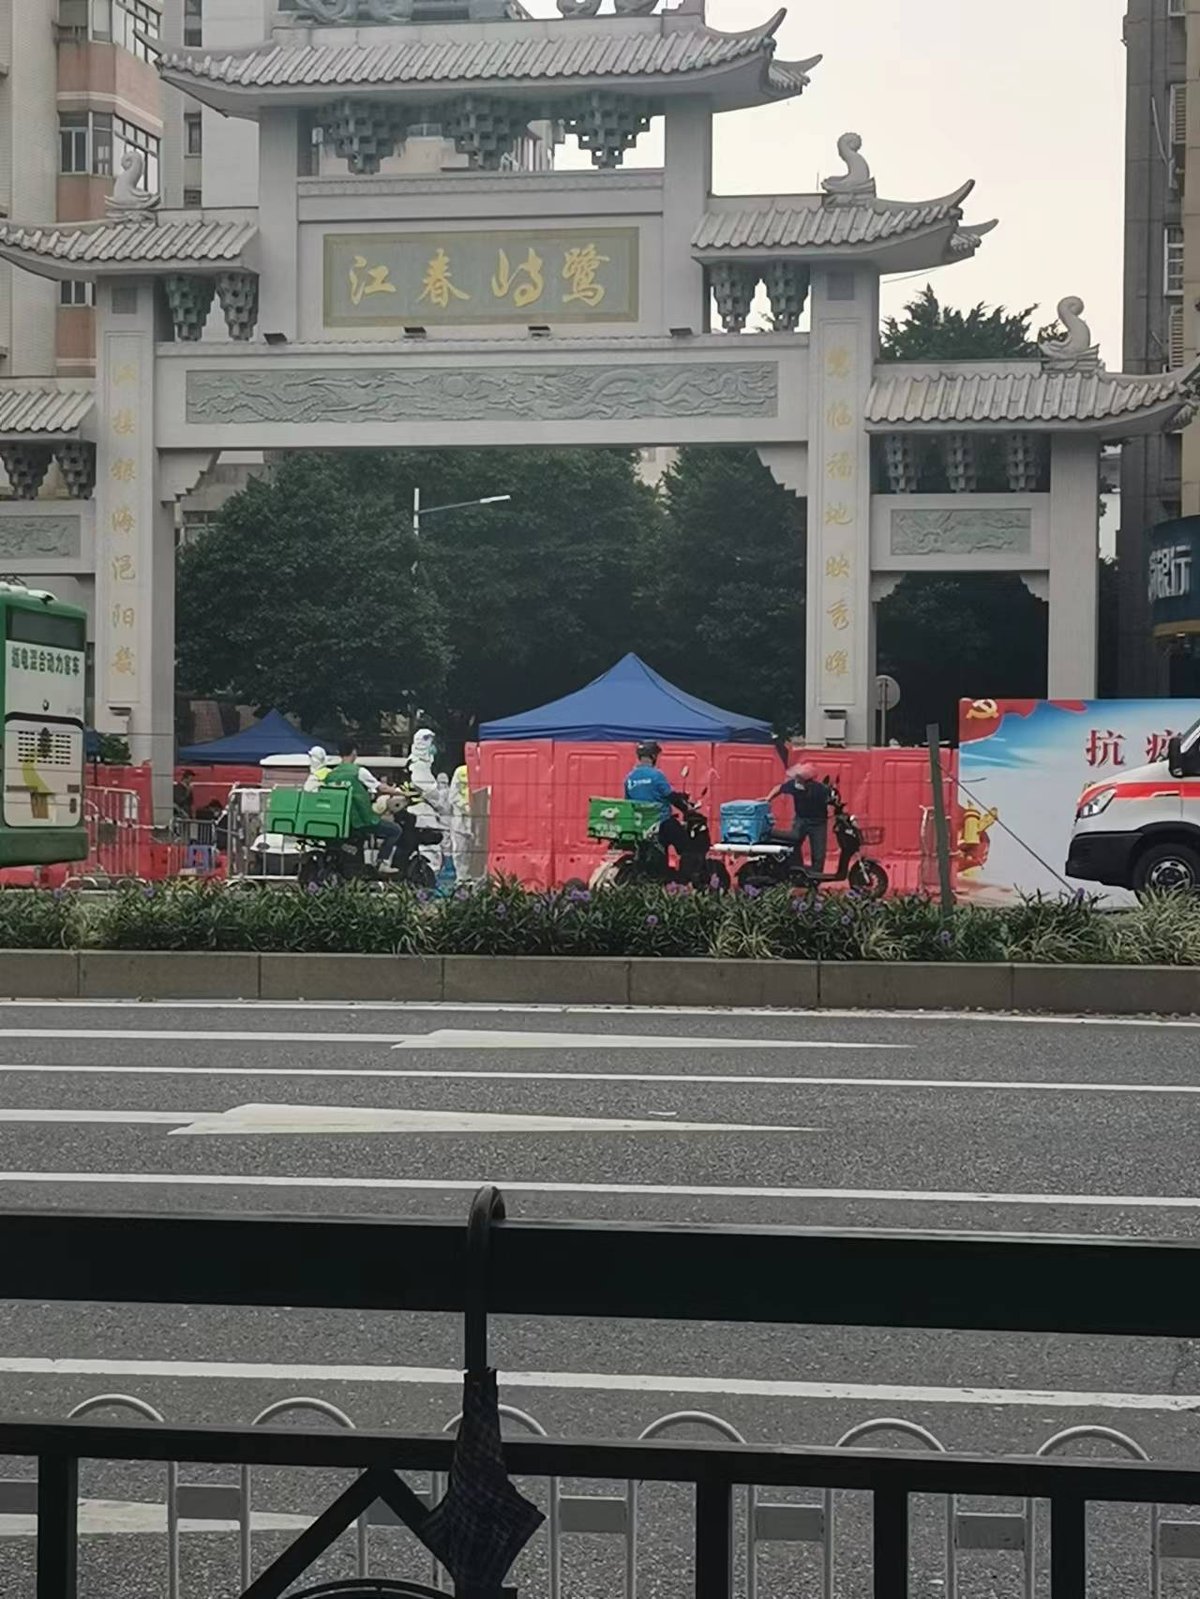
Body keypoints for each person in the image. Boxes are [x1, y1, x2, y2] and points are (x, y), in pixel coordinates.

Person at [322, 739, 402, 874]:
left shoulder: (330, 775)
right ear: (354, 753)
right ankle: (381, 862)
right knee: (395, 830)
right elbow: (380, 787)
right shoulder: (358, 771)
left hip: (339, 822)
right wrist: (401, 792)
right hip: (361, 819)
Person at [624, 741, 690, 867]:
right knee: (686, 847)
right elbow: (670, 796)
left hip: (640, 825)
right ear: (653, 756)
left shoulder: (630, 778)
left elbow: (628, 801)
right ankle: (683, 878)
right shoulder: (656, 775)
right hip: (660, 821)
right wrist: (686, 808)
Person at [765, 764, 831, 872]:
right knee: (795, 838)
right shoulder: (793, 785)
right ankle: (797, 869)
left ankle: (815, 875)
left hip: (818, 823)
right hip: (801, 819)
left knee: (818, 853)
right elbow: (779, 788)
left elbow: (831, 798)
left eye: (800, 778)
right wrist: (768, 798)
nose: (797, 781)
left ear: (808, 781)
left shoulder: (820, 789)